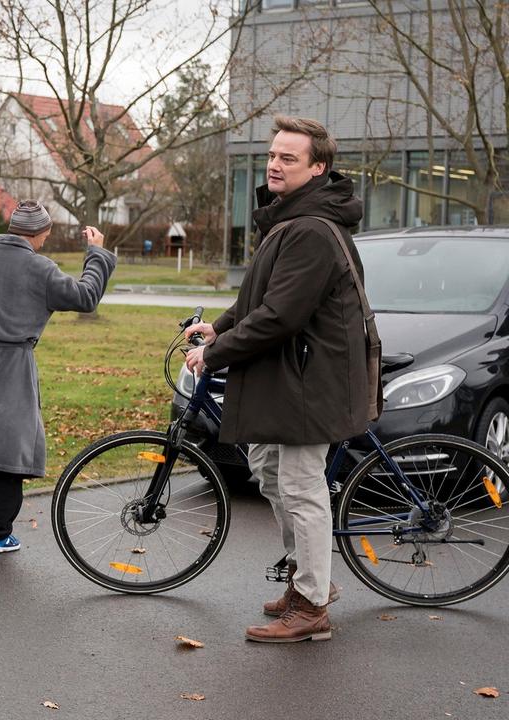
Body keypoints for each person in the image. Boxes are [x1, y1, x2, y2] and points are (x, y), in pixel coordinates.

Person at [184, 116, 376, 643]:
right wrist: (218, 326)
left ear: (318, 168)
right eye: (272, 155)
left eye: (288, 158)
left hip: (313, 380)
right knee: (266, 467)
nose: (273, 163)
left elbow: (280, 317)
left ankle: (313, 605)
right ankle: (310, 577)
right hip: (296, 377)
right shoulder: (291, 220)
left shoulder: (311, 229)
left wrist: (217, 352)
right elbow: (260, 299)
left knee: (300, 485)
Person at [0, 201, 116, 555]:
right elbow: (86, 297)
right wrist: (95, 253)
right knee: (7, 452)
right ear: (42, 234)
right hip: (13, 365)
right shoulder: (41, 269)